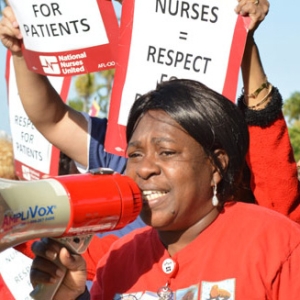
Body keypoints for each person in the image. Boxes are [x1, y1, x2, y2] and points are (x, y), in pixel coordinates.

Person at [30, 79, 300, 299]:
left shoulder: (278, 244)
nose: (145, 169)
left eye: (167, 152)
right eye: (135, 155)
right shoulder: (117, 260)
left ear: (217, 165)